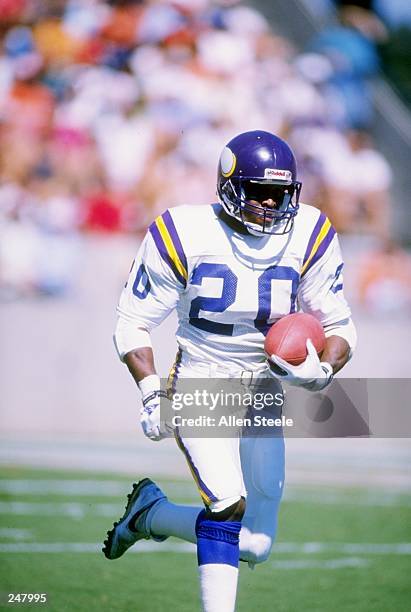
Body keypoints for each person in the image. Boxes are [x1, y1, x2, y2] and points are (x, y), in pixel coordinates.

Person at [102, 130, 357, 612]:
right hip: (203, 376)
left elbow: (340, 326)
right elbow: (133, 321)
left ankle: (151, 515)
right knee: (227, 505)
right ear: (227, 185)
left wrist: (321, 371)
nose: (268, 203)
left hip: (263, 390)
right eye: (257, 190)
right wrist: (152, 392)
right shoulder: (184, 231)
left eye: (279, 193)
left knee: (257, 544)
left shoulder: (311, 231)